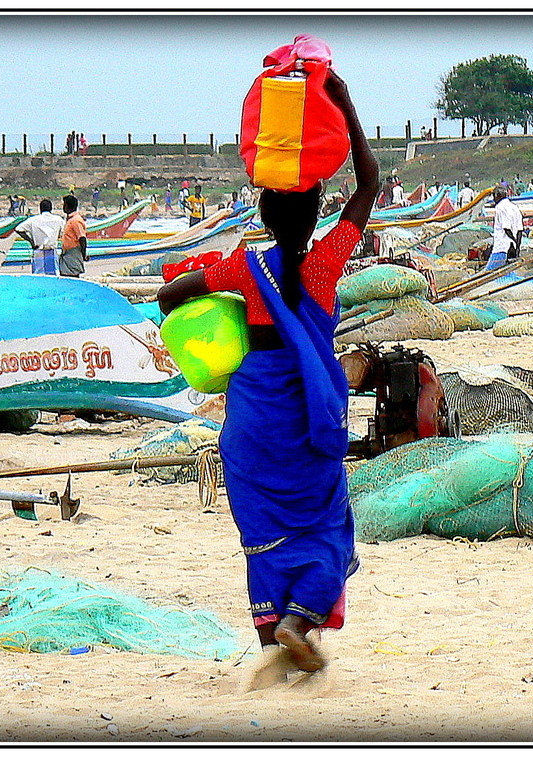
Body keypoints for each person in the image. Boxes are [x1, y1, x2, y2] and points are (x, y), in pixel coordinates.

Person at [157, 68, 379, 684]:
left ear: (261, 210)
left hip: (251, 419)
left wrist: (223, 315)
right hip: (306, 415)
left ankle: (269, 647)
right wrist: (347, 102)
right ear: (315, 214)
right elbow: (369, 186)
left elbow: (168, 294)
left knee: (263, 531)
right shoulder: (327, 263)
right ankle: (298, 625)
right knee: (325, 526)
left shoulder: (243, 267)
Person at [15, 198, 65, 275]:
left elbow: (18, 229)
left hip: (38, 250)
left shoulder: (33, 220)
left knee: (38, 274)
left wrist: (31, 241)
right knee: (53, 274)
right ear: (51, 209)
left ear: (40, 209)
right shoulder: (58, 219)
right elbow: (64, 231)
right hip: (52, 250)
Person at [486, 186, 523, 270]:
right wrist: (517, 246)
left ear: (498, 196)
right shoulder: (515, 207)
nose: (494, 200)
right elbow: (520, 230)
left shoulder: (500, 207)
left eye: (494, 197)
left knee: (491, 272)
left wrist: (513, 240)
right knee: (508, 271)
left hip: (501, 248)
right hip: (512, 248)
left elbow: (506, 229)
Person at [59, 194, 88, 278]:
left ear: (68, 206)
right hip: (67, 253)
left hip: (73, 253)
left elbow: (82, 238)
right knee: (66, 275)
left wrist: (83, 254)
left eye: (64, 205)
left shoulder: (75, 220)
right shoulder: (70, 220)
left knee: (71, 275)